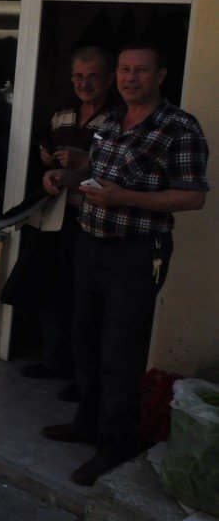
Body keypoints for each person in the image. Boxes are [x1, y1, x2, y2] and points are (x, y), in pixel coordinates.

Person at [40, 43, 208, 487]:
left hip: (136, 253)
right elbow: (96, 175)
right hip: (91, 243)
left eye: (141, 70)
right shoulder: (111, 120)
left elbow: (193, 196)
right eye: (125, 70)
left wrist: (123, 197)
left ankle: (117, 445)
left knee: (120, 351)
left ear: (160, 75)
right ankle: (88, 423)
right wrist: (66, 177)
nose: (130, 78)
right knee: (86, 339)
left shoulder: (179, 126)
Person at [24, 47, 118, 398]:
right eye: (78, 76)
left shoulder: (119, 120)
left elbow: (115, 170)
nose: (84, 83)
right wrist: (49, 163)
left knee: (87, 302)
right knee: (52, 291)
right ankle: (53, 360)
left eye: (92, 76)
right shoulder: (63, 114)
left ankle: (84, 380)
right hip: (56, 216)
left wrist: (84, 165)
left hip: (94, 220)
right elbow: (45, 152)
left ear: (109, 78)